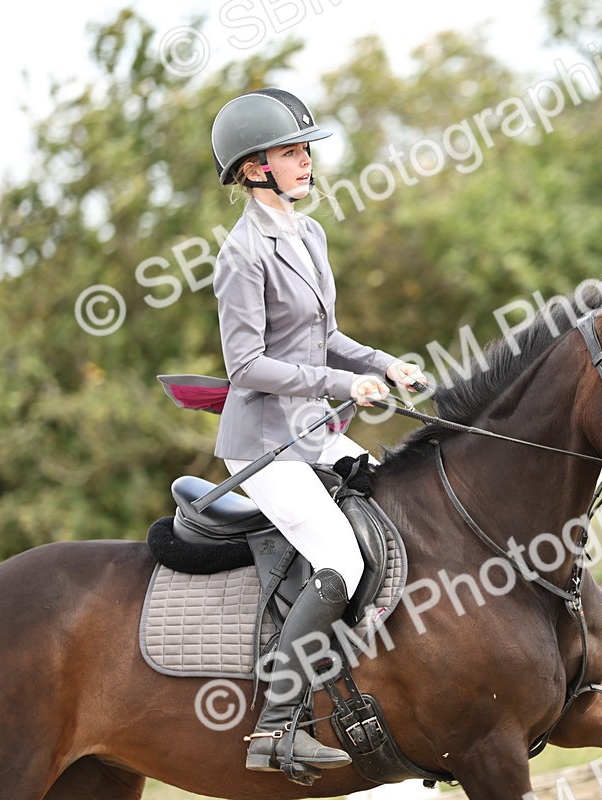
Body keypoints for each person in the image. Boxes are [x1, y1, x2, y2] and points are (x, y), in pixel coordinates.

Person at [209, 88, 425, 773]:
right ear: (253, 169)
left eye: (305, 150)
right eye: (291, 152)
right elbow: (244, 364)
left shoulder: (308, 232)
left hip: (318, 429)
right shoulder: (241, 255)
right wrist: (339, 384)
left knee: (397, 503)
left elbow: (325, 335)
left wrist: (384, 363)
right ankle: (275, 727)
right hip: (265, 443)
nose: (307, 161)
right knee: (341, 558)